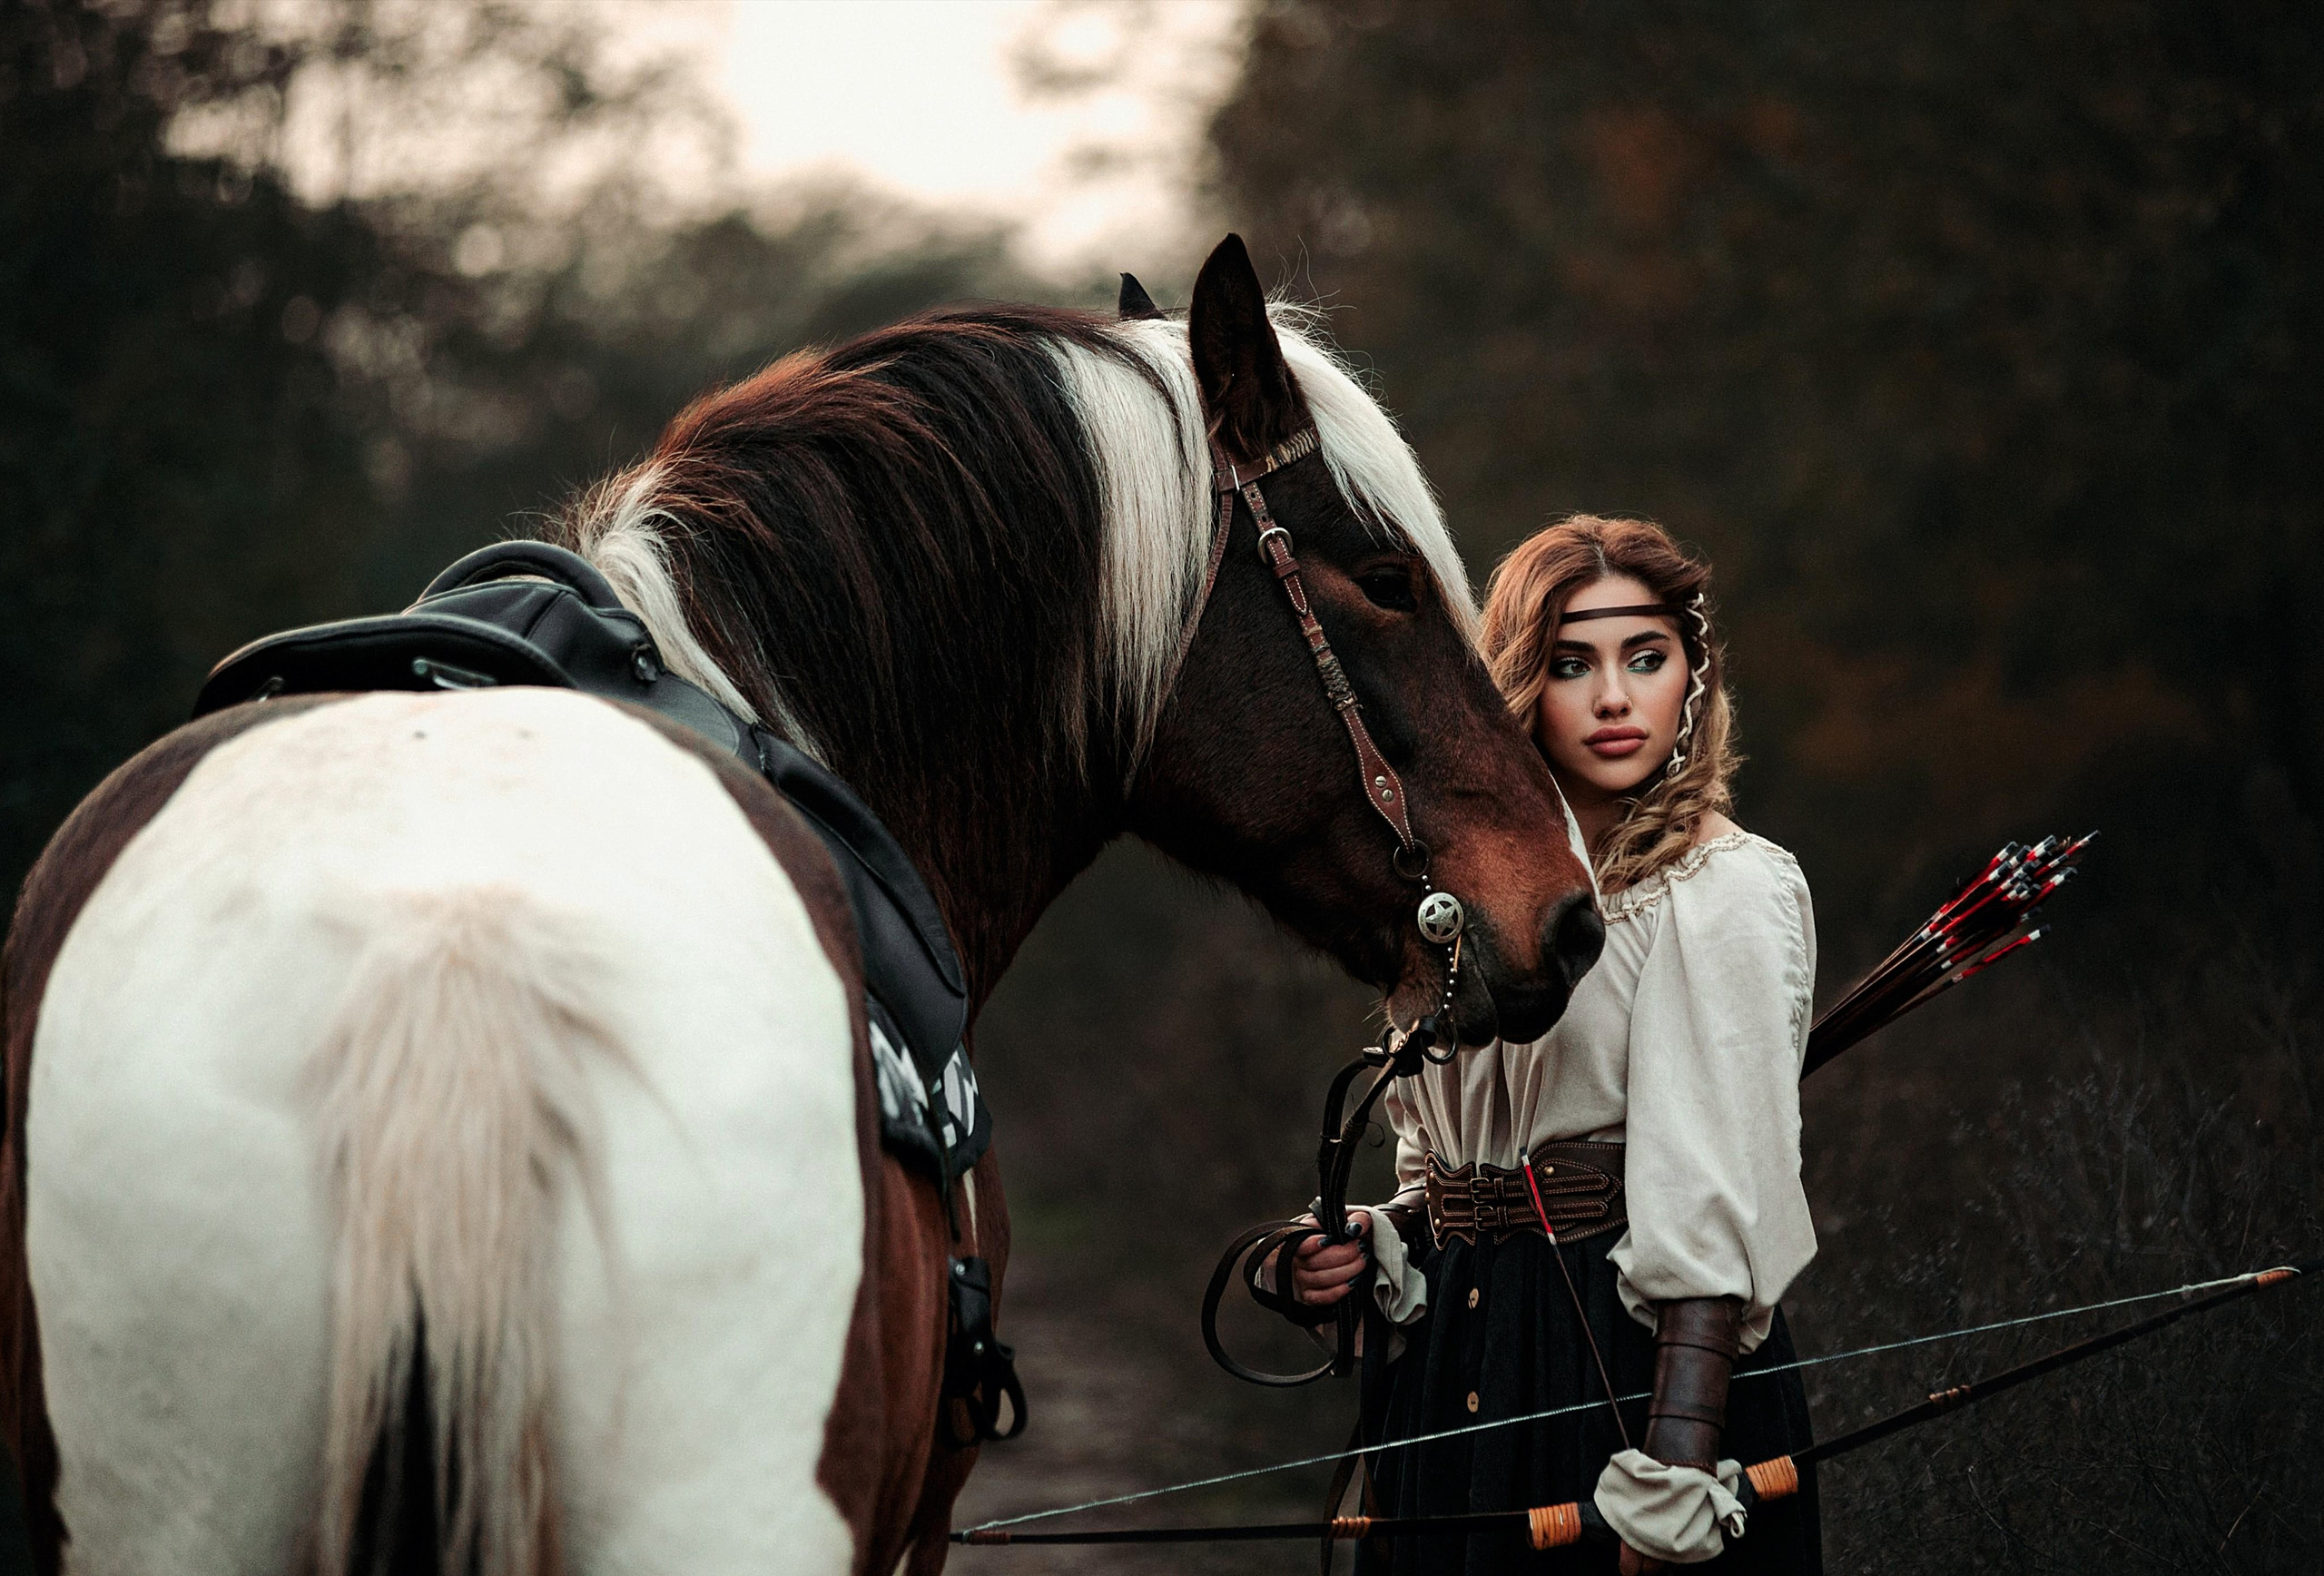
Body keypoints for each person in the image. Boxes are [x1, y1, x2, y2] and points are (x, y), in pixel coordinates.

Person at [1290, 516, 1822, 1573]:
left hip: (1633, 1366)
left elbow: (1713, 1209)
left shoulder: (1723, 890)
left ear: (1693, 672)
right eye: (1572, 663)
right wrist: (1373, 1243)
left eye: (1646, 657)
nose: (1614, 698)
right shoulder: (1468, 895)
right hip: (1455, 1350)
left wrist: (1674, 1466)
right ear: (1516, 682)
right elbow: (1435, 1153)